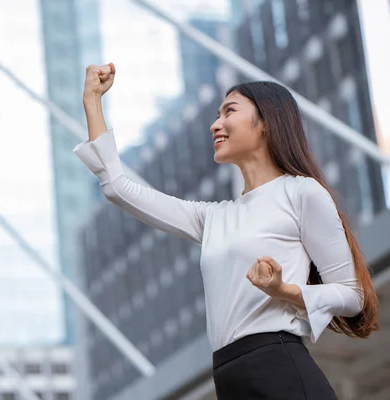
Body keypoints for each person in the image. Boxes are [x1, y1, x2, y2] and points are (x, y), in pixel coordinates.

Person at [73, 63, 379, 399]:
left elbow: (353, 295)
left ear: (265, 122)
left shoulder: (302, 193)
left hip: (280, 369)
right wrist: (92, 101)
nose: (215, 124)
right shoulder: (214, 217)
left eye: (228, 111)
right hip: (229, 377)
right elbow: (117, 187)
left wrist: (283, 290)